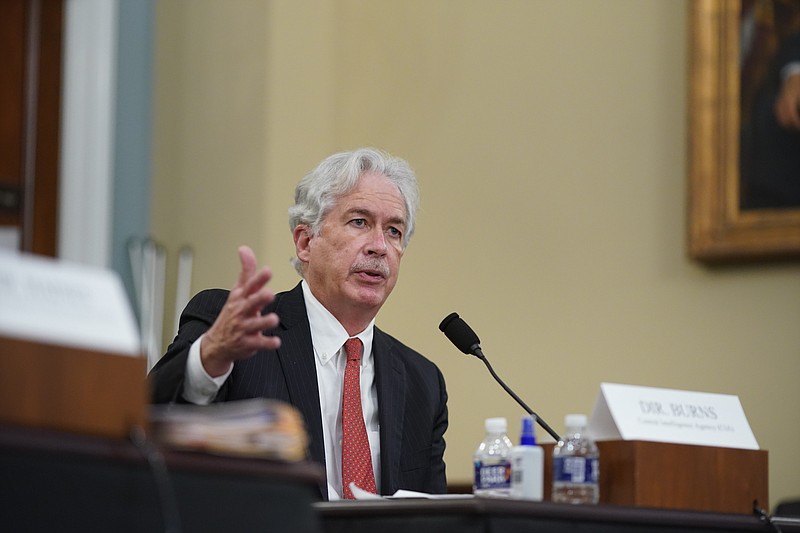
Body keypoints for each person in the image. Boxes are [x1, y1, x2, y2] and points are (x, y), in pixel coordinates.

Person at [149, 147, 448, 500]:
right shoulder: (236, 328)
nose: (379, 246)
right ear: (306, 242)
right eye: (359, 222)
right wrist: (209, 359)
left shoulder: (421, 382)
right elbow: (147, 421)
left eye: (394, 231)